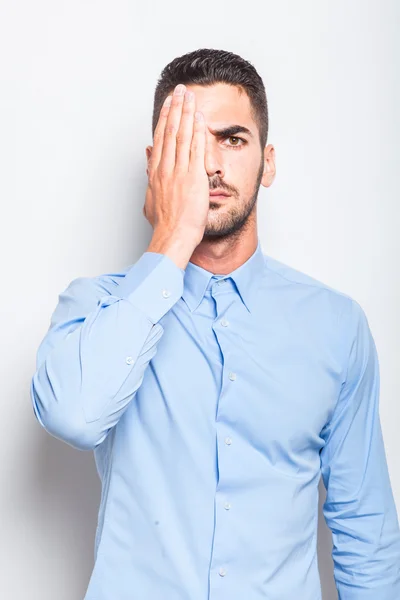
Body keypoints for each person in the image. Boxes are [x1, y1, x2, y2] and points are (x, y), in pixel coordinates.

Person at [30, 48, 400, 599]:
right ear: (157, 164)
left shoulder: (336, 325)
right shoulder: (98, 308)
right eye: (189, 144)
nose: (211, 166)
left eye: (232, 139)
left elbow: (365, 533)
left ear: (267, 161)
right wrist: (173, 239)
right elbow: (74, 416)